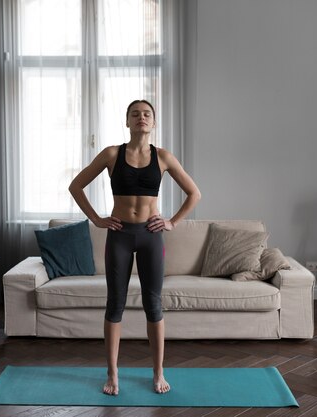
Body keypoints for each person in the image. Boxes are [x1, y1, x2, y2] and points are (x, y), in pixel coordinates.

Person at [68, 100, 201, 396]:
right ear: (127, 121)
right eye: (135, 114)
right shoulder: (112, 154)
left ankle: (158, 372)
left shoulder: (163, 157)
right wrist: (97, 219)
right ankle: (113, 374)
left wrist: (173, 222)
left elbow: (194, 193)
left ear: (153, 122)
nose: (141, 118)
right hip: (120, 235)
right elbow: (76, 186)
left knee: (153, 304)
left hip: (150, 236)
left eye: (147, 114)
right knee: (115, 304)